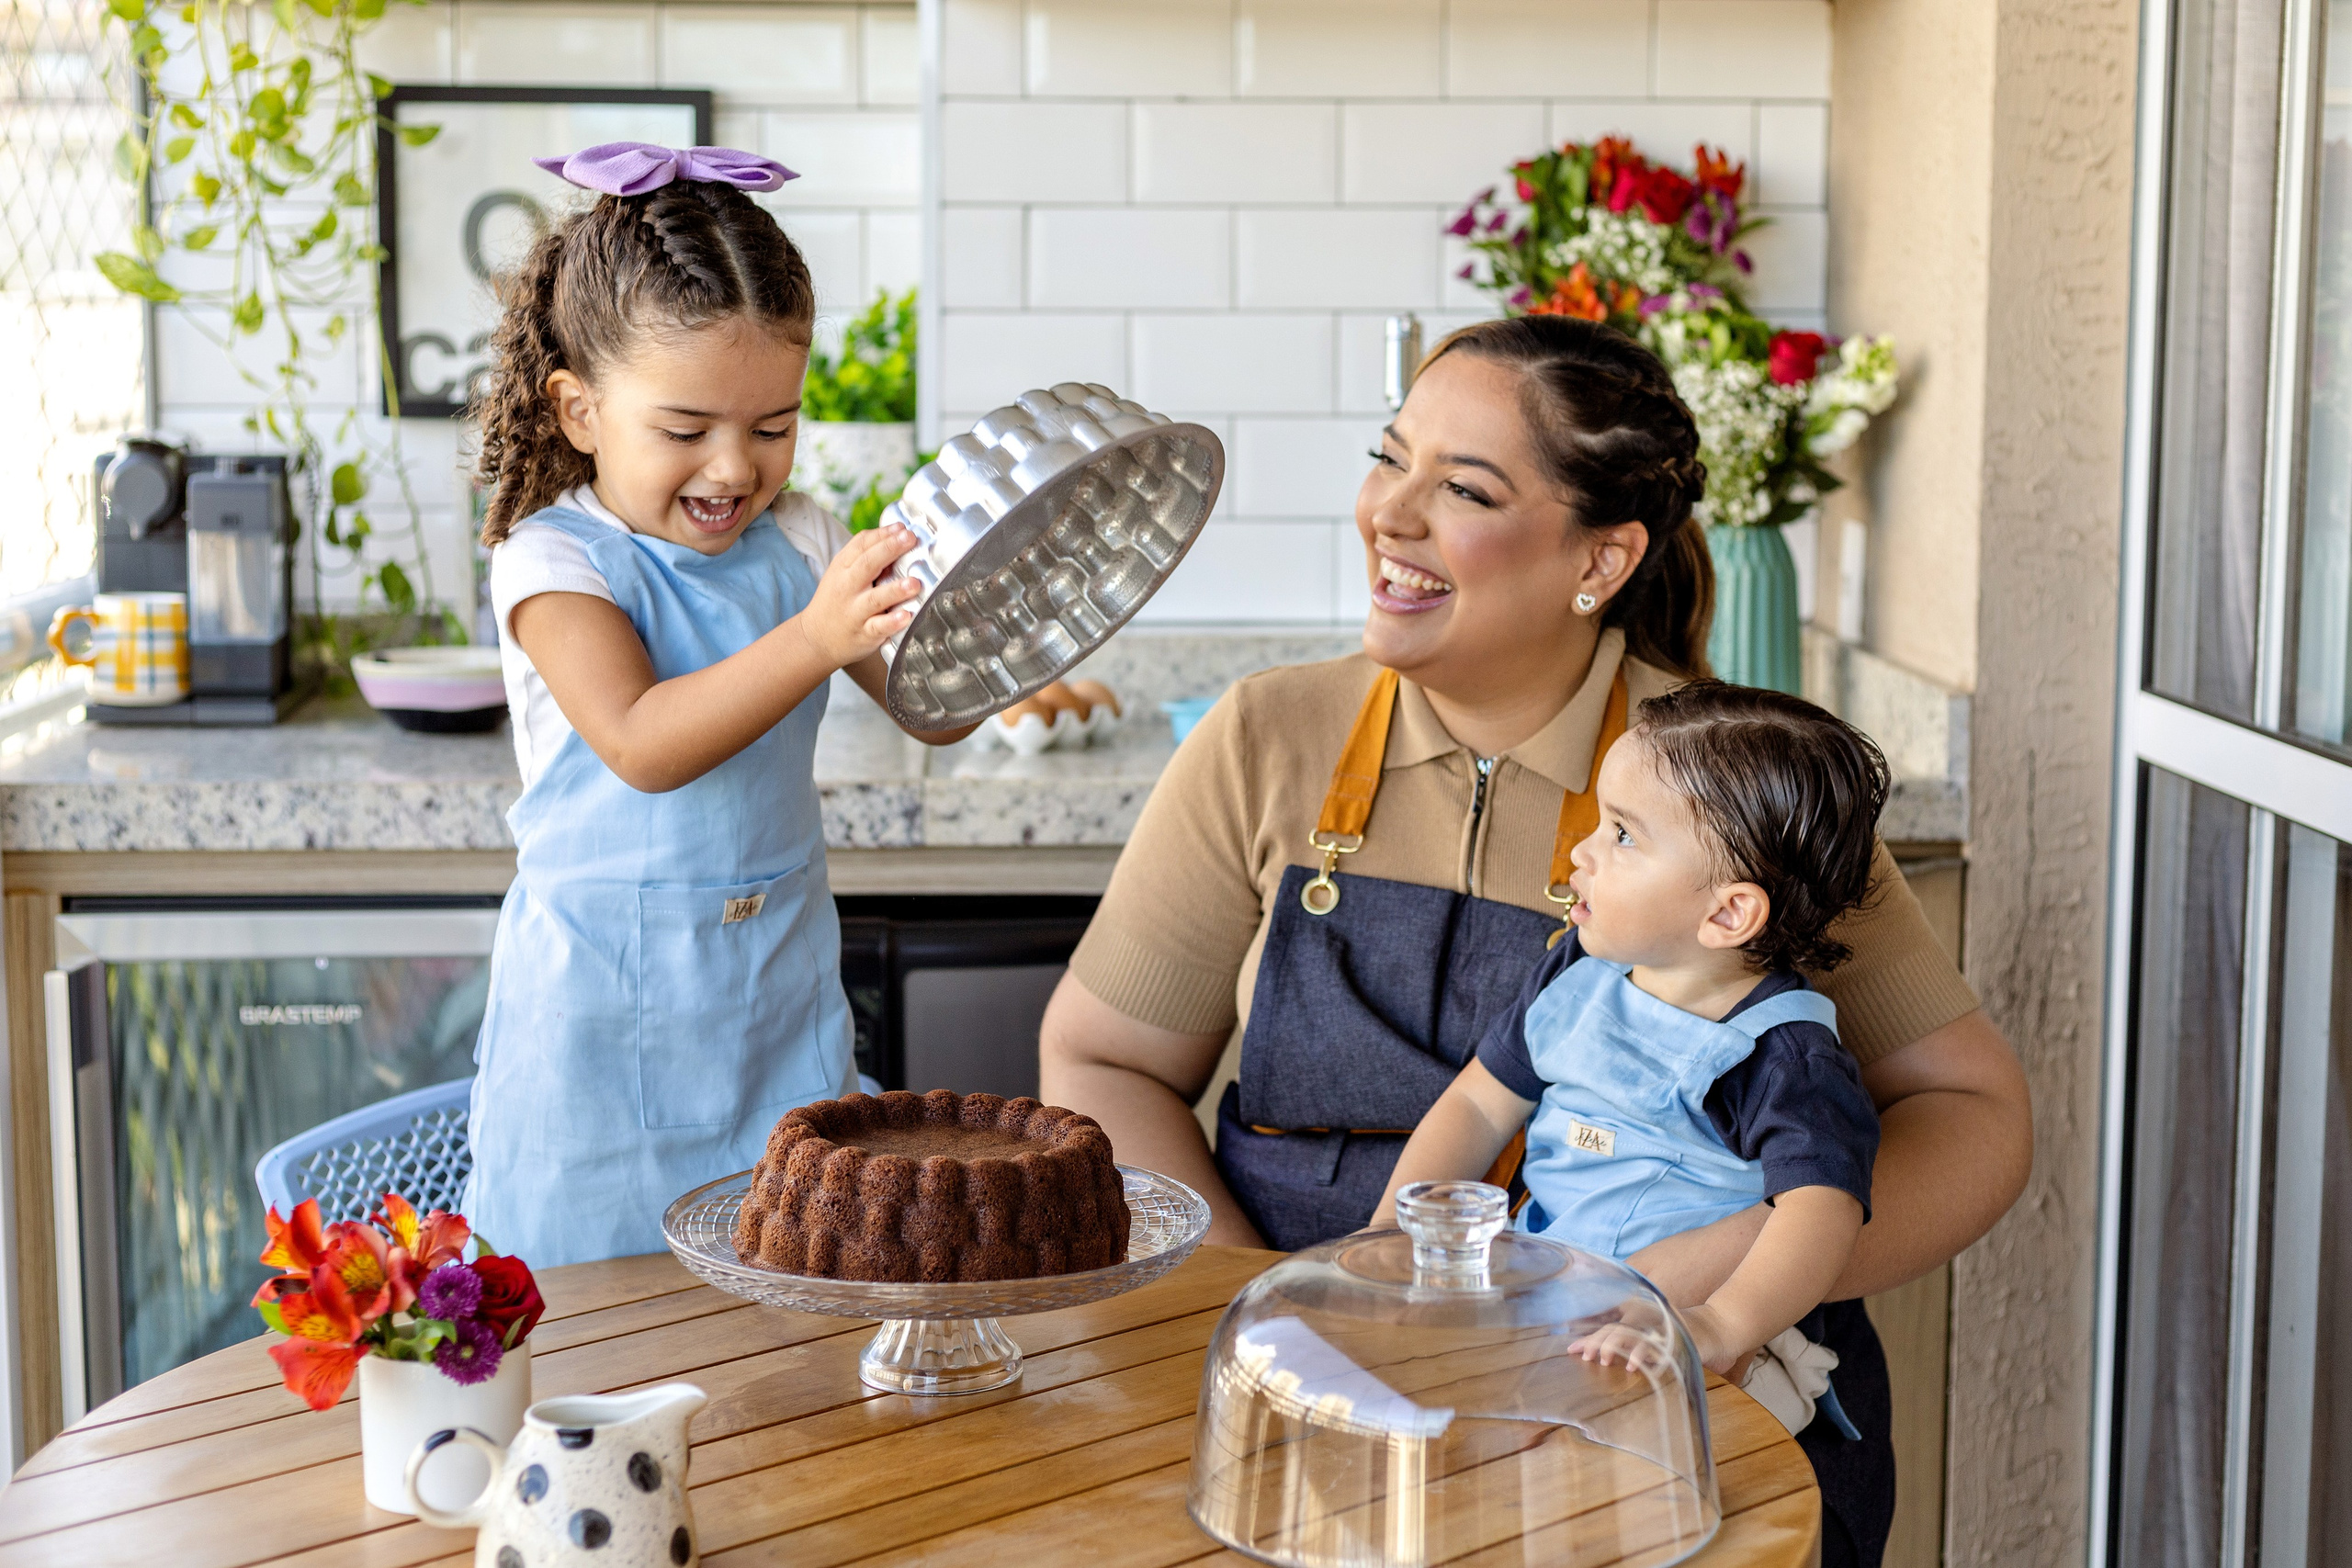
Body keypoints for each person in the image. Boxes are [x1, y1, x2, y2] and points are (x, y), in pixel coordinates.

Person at [1039, 314, 2032, 1568]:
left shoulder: (1738, 781)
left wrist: (1709, 1284)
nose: (1386, 514)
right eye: (1388, 456)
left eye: (1460, 488)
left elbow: (1976, 1112)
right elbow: (1103, 1059)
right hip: (1321, 1421)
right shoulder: (1264, 735)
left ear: (1604, 555)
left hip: (1656, 1423)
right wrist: (1282, 1327)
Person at [460, 142, 946, 1268]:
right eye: (684, 431)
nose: (733, 467)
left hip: (774, 1014)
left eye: (772, 426)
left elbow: (932, 708)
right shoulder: (554, 563)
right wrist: (818, 635)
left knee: (784, 1322)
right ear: (579, 410)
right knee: (597, 1343)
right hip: (594, 1049)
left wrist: (997, 635)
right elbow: (641, 742)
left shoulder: (804, 538)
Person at [1372, 681, 1889, 1438]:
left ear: (1727, 912)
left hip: (1665, 1357)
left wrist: (1717, 1326)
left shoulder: (1783, 1056)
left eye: (1621, 835)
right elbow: (1478, 1105)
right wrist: (1388, 1238)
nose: (1581, 850)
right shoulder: (1574, 975)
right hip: (1541, 1313)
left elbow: (1820, 1210)